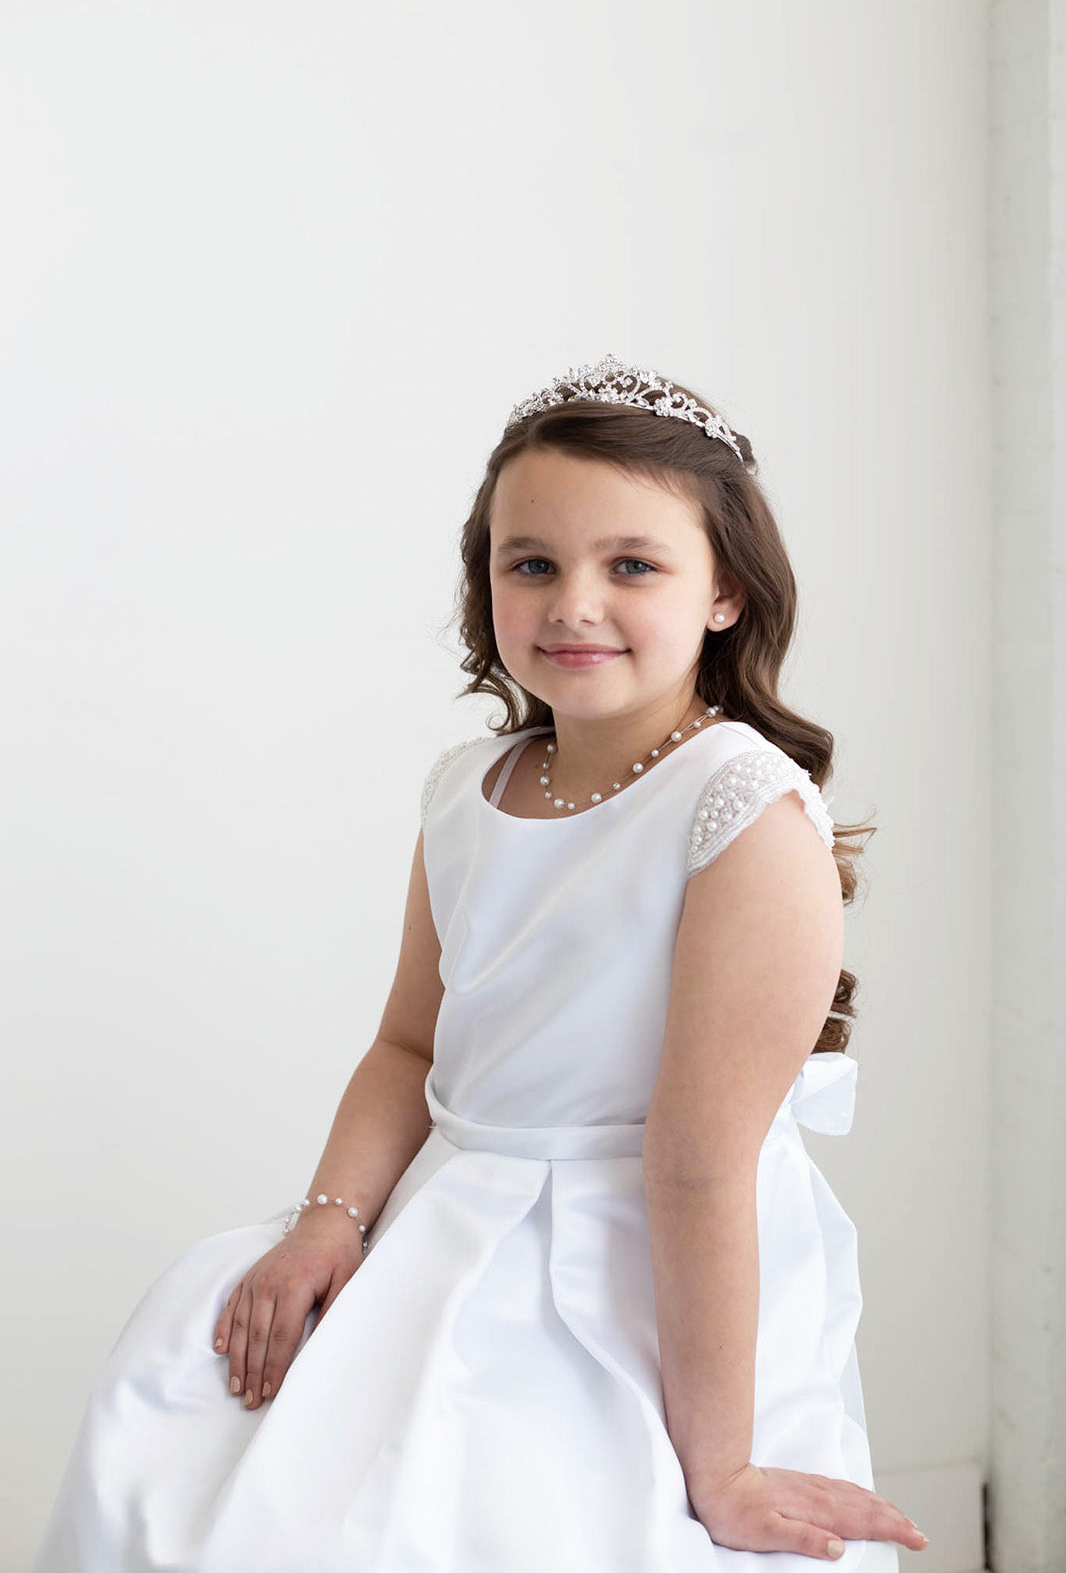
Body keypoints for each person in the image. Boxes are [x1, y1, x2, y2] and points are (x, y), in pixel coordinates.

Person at [33, 353, 929, 1572]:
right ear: (487, 581)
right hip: (450, 1223)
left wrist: (714, 1466)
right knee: (210, 1435)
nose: (573, 604)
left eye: (632, 565)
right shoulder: (473, 788)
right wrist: (328, 1225)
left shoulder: (738, 812)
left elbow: (699, 1167)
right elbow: (411, 1041)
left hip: (639, 1262)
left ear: (725, 592)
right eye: (532, 564)